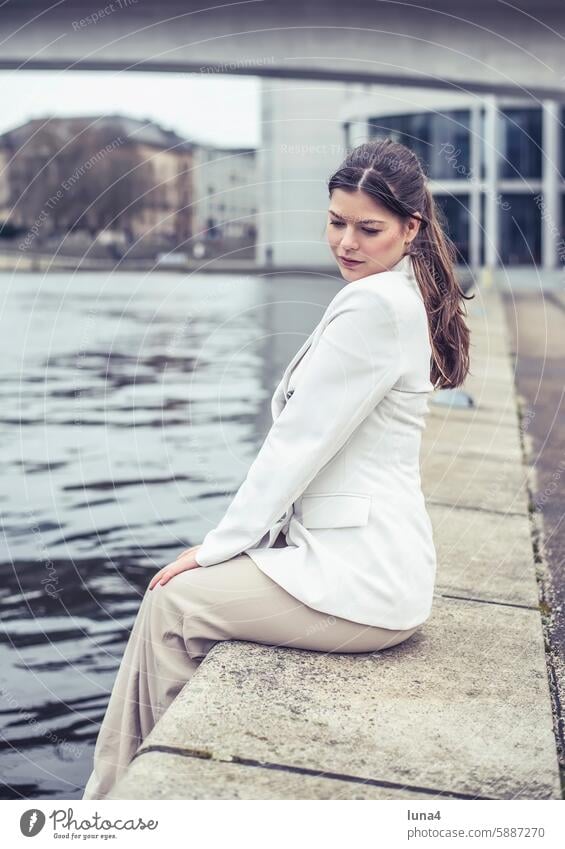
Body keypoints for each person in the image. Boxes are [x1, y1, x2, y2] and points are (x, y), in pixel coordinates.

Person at [82, 138, 472, 800]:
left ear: (410, 228)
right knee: (175, 602)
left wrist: (217, 546)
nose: (345, 241)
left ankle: (116, 801)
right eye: (335, 220)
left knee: (172, 603)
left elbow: (297, 441)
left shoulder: (374, 304)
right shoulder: (400, 290)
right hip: (373, 566)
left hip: (364, 579)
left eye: (367, 228)